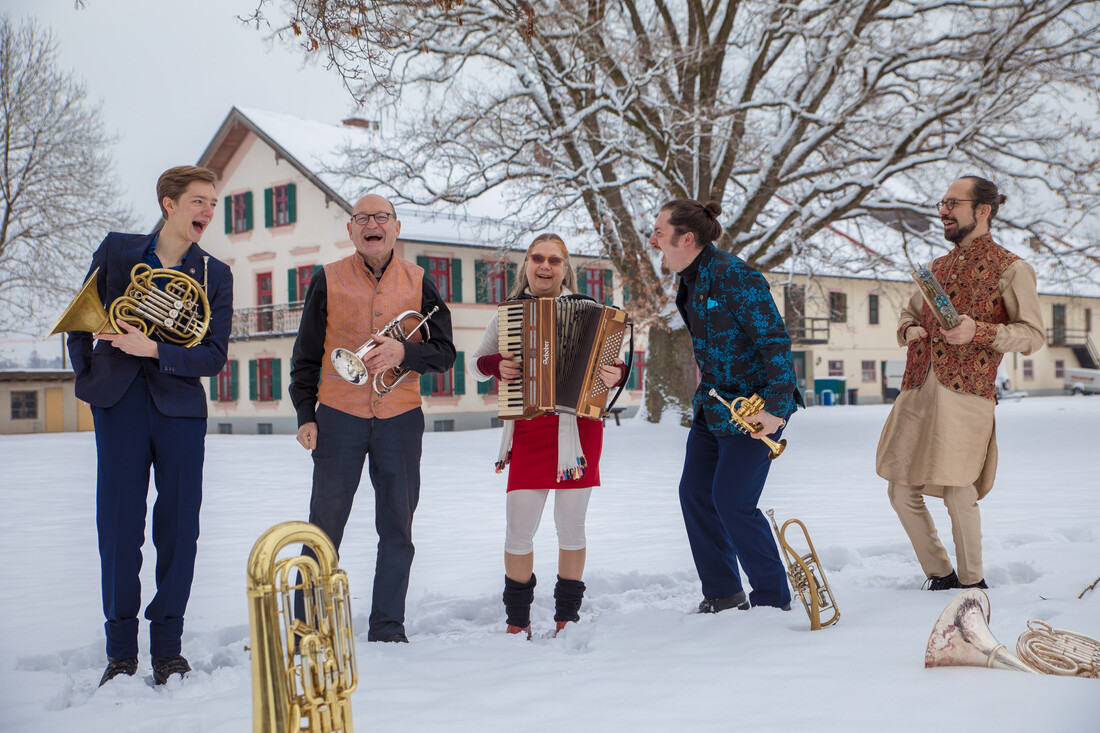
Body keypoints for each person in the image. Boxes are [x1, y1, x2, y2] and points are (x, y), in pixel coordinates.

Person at [66, 166, 233, 686]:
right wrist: (90, 375)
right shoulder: (118, 251)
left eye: (212, 203)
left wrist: (155, 347)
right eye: (199, 201)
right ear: (169, 203)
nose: (208, 211)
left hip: (180, 408)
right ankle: (120, 651)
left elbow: (213, 356)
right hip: (119, 404)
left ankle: (167, 648)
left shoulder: (215, 275)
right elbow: (80, 318)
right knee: (118, 528)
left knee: (180, 529)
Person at [289, 194, 455, 643]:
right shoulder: (327, 279)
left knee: (398, 526)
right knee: (323, 526)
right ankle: (307, 626)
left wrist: (405, 351)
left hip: (400, 418)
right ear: (351, 230)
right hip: (338, 417)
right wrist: (306, 414)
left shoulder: (420, 281)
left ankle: (387, 626)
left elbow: (445, 354)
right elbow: (304, 357)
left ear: (396, 227)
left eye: (381, 217)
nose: (372, 224)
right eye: (362, 218)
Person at [877, 175, 1044, 590]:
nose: (943, 211)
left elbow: (1033, 336)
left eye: (952, 203)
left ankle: (972, 584)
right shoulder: (934, 269)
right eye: (942, 202)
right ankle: (940, 574)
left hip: (967, 392)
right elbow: (906, 316)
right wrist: (909, 331)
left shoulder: (1013, 268)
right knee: (900, 491)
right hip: (917, 388)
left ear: (982, 210)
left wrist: (980, 333)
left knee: (957, 491)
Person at [467, 233, 626, 637]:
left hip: (578, 430)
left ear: (565, 268)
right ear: (525, 264)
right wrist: (495, 364)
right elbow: (473, 364)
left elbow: (615, 366)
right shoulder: (508, 314)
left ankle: (565, 617)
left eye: (554, 261)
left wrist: (616, 373)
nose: (545, 266)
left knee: (571, 526)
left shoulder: (589, 309)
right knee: (518, 529)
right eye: (537, 258)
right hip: (529, 428)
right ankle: (517, 622)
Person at [650, 199, 801, 613]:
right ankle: (723, 594)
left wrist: (775, 408)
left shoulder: (737, 276)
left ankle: (772, 600)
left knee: (733, 501)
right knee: (695, 494)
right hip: (713, 406)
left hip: (757, 409)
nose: (653, 239)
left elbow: (774, 342)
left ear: (686, 238)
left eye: (660, 232)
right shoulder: (689, 278)